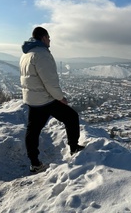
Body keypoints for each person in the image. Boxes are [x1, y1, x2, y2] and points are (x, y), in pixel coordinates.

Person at [20, 26, 84, 173]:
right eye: (49, 38)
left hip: (32, 99)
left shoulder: (26, 55)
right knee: (71, 117)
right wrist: (60, 98)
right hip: (45, 100)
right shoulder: (42, 54)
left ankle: (34, 163)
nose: (50, 41)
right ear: (43, 38)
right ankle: (74, 147)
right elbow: (50, 81)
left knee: (33, 131)